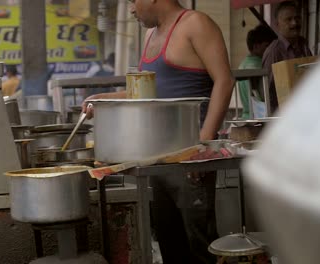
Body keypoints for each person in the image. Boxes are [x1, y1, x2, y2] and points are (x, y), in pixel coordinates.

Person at [82, 0, 235, 263]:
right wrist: (104, 99)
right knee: (169, 242)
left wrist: (201, 146)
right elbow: (144, 93)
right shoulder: (150, 35)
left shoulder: (196, 24)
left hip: (189, 160)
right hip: (156, 160)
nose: (131, 9)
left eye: (132, 1)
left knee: (200, 245)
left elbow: (224, 80)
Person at [262, 1, 312, 112]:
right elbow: (266, 93)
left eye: (297, 18)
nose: (294, 23)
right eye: (288, 19)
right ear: (277, 24)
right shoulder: (274, 52)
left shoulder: (303, 46)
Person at [239, 25, 277, 119]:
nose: (270, 50)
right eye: (267, 46)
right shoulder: (260, 67)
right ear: (256, 46)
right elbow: (263, 97)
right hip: (258, 117)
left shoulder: (243, 64)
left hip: (246, 116)